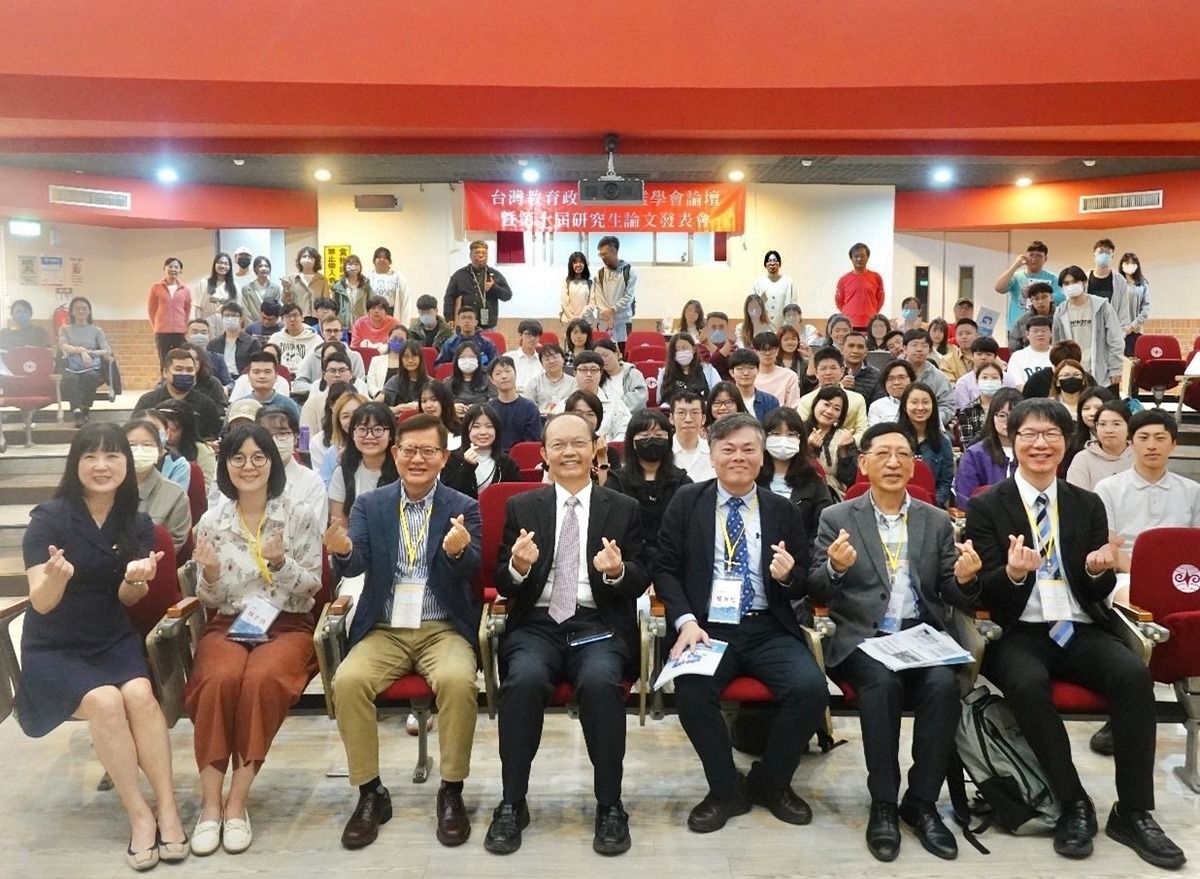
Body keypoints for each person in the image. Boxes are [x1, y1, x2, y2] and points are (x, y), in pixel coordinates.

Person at [963, 398, 1186, 869]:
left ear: (1066, 443)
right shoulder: (986, 506)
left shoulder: (1087, 503)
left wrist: (1097, 569)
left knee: (1133, 676)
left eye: (1050, 434)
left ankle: (1133, 812)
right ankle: (1072, 801)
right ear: (1013, 441)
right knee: (1027, 684)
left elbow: (1096, 588)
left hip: (1079, 626)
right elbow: (983, 590)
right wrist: (1015, 574)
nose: (1040, 444)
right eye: (1029, 434)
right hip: (1019, 630)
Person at [810, 422, 982, 862]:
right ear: (863, 463)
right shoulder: (837, 518)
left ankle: (921, 802)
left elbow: (949, 589)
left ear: (913, 465)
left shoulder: (936, 519)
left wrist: (964, 579)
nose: (893, 462)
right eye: (883, 454)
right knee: (881, 686)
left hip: (922, 636)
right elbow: (816, 589)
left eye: (903, 454)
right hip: (864, 638)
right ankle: (884, 803)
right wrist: (834, 568)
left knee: (943, 687)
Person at [19, 423, 188, 870]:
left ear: (126, 464)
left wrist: (136, 580)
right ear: (75, 463)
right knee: (106, 702)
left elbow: (126, 599)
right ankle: (139, 816)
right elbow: (41, 602)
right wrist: (55, 578)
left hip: (110, 636)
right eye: (90, 456)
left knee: (140, 695)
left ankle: (168, 808)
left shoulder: (136, 522)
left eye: (112, 455)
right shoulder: (49, 520)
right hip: (55, 645)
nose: (101, 465)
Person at [487, 412, 650, 855]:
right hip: (537, 625)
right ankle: (512, 802)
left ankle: (610, 804)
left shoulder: (624, 508)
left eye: (578, 443)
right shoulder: (523, 507)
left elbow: (640, 575)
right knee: (523, 682)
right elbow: (503, 581)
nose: (569, 452)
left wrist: (617, 572)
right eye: (558, 445)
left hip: (597, 625)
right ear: (544, 454)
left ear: (595, 448)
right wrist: (518, 566)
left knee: (600, 683)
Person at [655, 413, 827, 833]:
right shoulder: (687, 501)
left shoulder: (781, 509)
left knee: (811, 689)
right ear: (712, 456)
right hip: (707, 627)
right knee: (692, 690)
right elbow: (665, 568)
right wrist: (686, 620)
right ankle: (725, 788)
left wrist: (787, 577)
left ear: (762, 456)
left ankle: (771, 781)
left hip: (768, 625)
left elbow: (802, 579)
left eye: (749, 449)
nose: (738, 457)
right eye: (728, 449)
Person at [321, 412, 481, 848]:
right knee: (348, 681)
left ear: (443, 457)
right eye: (409, 450)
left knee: (457, 681)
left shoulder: (463, 507)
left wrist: (458, 552)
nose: (417, 459)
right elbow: (355, 563)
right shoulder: (370, 505)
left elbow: (471, 569)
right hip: (385, 627)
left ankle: (451, 790)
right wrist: (343, 551)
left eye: (428, 451)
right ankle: (370, 792)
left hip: (441, 627)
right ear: (395, 454)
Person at [184, 423, 322, 855]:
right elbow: (209, 599)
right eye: (238, 458)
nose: (249, 466)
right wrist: (209, 574)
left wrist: (280, 564)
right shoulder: (212, 521)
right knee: (218, 680)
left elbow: (313, 586)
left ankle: (236, 805)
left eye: (258, 457)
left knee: (261, 681)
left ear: (272, 462)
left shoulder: (298, 514)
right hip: (229, 623)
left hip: (287, 623)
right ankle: (210, 805)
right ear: (226, 465)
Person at [1097, 408, 1200, 575]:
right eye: (1143, 438)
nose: (1151, 446)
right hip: (1126, 573)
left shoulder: (1192, 490)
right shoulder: (1107, 488)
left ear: (1173, 444)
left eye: (1160, 438)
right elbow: (1109, 546)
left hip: (1181, 574)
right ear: (1131, 443)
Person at [605, 408, 692, 570]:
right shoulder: (616, 483)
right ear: (632, 442)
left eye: (659, 436)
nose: (652, 440)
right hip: (627, 565)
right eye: (644, 437)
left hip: (672, 565)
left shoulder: (683, 483)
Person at [757, 407, 832, 542]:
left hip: (802, 553)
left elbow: (822, 528)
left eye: (791, 434)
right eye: (776, 434)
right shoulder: (753, 479)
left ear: (800, 439)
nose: (783, 440)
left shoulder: (813, 481)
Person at [1052, 265, 1125, 389]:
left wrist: (1116, 368)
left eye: (1075, 281)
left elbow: (1115, 339)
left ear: (1084, 282)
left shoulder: (1102, 306)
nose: (1071, 286)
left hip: (1101, 372)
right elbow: (1057, 344)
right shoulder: (1060, 311)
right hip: (1073, 372)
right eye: (1066, 283)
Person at [124, 419, 191, 553]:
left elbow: (173, 543)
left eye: (147, 445)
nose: (139, 450)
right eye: (131, 445)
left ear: (160, 450)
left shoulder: (175, 495)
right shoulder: (107, 489)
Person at [329, 402, 399, 525]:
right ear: (353, 435)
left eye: (378, 430)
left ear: (391, 435)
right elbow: (339, 527)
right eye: (362, 430)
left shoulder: (403, 471)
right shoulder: (342, 473)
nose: (369, 436)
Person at [257, 405, 329, 525]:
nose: (274, 441)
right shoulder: (246, 476)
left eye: (282, 434)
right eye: (266, 435)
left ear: (295, 438)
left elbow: (313, 529)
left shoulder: (312, 482)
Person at [953, 388, 1021, 508]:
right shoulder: (974, 454)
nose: (1008, 422)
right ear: (992, 417)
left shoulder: (1032, 451)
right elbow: (965, 498)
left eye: (1014, 416)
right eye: (1002, 415)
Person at [134, 348, 222, 440]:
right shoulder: (148, 402)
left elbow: (213, 436)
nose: (184, 374)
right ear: (165, 372)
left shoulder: (206, 404)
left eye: (189, 370)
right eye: (178, 369)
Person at [439, 403, 522, 498]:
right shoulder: (452, 459)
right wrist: (467, 466)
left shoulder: (507, 463)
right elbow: (449, 495)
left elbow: (515, 497)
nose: (483, 432)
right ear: (467, 430)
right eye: (476, 426)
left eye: (489, 426)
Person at [58, 296, 113, 427]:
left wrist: (89, 353)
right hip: (71, 365)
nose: (81, 311)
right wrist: (80, 351)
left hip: (91, 365)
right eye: (77, 308)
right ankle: (77, 412)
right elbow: (62, 345)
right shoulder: (65, 329)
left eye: (84, 308)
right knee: (70, 379)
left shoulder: (97, 331)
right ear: (72, 312)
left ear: (89, 311)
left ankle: (86, 408)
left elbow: (106, 350)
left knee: (91, 377)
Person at [994, 240, 1063, 344]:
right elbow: (999, 288)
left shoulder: (1053, 278)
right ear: (1025, 257)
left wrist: (1040, 294)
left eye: (1039, 256)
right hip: (1018, 328)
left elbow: (1062, 298)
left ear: (1045, 259)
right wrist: (1015, 266)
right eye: (1031, 255)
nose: (1034, 259)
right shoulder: (1016, 276)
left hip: (1045, 328)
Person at [897, 382, 952, 507]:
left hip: (931, 507)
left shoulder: (943, 442)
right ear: (904, 406)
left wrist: (931, 504)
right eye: (914, 402)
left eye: (926, 402)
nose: (920, 407)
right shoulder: (893, 438)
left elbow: (945, 482)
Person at [798, 346, 868, 442]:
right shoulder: (806, 400)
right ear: (816, 372)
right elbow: (800, 430)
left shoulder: (857, 399)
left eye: (833, 368)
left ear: (842, 371)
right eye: (823, 368)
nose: (828, 373)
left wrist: (849, 441)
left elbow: (863, 430)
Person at [803, 385, 859, 499]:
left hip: (833, 494)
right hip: (802, 489)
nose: (829, 411)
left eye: (836, 409)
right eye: (826, 404)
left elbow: (849, 479)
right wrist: (809, 449)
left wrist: (843, 452)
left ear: (840, 416)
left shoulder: (844, 437)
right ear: (815, 404)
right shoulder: (798, 430)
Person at [1066, 399, 1132, 492]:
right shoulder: (1083, 459)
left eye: (1116, 424)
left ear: (1129, 426)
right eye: (1102, 424)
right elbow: (1076, 496)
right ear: (1096, 426)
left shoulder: (1140, 455)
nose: (1109, 430)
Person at [444, 240, 512, 329]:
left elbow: (508, 295)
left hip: (488, 326)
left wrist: (493, 288)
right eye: (477, 252)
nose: (481, 255)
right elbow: (449, 298)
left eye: (484, 253)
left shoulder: (494, 275)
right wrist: (449, 318)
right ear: (470, 255)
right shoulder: (459, 275)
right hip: (466, 325)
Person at [571, 351, 631, 444]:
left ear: (601, 373)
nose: (589, 374)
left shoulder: (614, 402)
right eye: (583, 370)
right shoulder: (564, 404)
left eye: (594, 370)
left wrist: (609, 446)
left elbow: (625, 430)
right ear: (575, 373)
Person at [486, 356, 541, 452]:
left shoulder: (530, 408)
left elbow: (533, 442)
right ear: (491, 379)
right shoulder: (488, 409)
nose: (504, 376)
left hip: (522, 456)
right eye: (498, 373)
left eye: (508, 371)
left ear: (515, 373)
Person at [590, 235, 636, 346]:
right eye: (600, 254)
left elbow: (628, 296)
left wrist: (613, 310)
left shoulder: (629, 271)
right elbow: (598, 298)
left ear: (614, 251)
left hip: (623, 322)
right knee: (602, 352)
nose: (602, 257)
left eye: (605, 254)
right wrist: (607, 314)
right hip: (604, 322)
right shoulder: (599, 274)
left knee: (623, 352)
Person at [147, 257, 193, 363]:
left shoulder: (185, 290)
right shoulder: (156, 288)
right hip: (162, 331)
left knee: (180, 358)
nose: (173, 269)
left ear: (180, 270)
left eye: (176, 267)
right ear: (165, 268)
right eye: (170, 266)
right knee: (164, 360)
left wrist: (183, 326)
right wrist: (156, 326)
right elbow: (151, 309)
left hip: (179, 332)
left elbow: (187, 310)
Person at [658, 333, 720, 407]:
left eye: (685, 348)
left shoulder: (709, 370)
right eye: (677, 350)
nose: (681, 352)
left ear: (694, 349)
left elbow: (718, 396)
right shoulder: (665, 372)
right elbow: (660, 400)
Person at [319, 391, 366, 487]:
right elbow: (326, 489)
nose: (352, 420)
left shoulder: (379, 447)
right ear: (338, 422)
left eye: (357, 414)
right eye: (345, 416)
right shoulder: (332, 454)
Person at [208, 302, 261, 383]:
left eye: (234, 316)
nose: (230, 318)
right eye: (227, 315)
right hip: (219, 380)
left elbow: (255, 366)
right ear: (222, 318)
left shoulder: (252, 343)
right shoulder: (213, 343)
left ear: (241, 319)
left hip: (243, 380)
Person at [955, 361, 1005, 448]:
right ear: (977, 382)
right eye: (984, 377)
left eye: (994, 378)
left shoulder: (1009, 408)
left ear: (1001, 382)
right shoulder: (968, 410)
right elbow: (967, 444)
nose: (989, 381)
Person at [835, 243, 885, 328]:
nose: (859, 259)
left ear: (867, 257)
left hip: (870, 324)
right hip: (849, 324)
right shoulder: (843, 280)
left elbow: (880, 299)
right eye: (856, 256)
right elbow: (839, 301)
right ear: (851, 258)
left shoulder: (876, 277)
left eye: (862, 256)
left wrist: (872, 313)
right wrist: (847, 314)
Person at [669, 390, 715, 482]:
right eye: (681, 413)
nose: (688, 419)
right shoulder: (664, 451)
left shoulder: (714, 451)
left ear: (703, 419)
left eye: (695, 413)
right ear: (671, 418)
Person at [595, 338, 648, 411]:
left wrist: (614, 408)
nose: (603, 360)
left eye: (606, 355)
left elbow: (640, 397)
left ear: (617, 354)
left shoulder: (633, 374)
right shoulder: (596, 377)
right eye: (598, 357)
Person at [445, 339, 495, 416]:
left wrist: (479, 407)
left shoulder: (488, 379)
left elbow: (494, 402)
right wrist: (452, 408)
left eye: (471, 357)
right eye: (463, 357)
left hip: (483, 417)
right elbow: (443, 404)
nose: (467, 360)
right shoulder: (448, 382)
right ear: (457, 360)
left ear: (478, 359)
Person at [751, 331, 800, 409]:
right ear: (755, 352)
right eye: (763, 350)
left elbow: (793, 406)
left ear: (777, 351)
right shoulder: (749, 376)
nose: (767, 353)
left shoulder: (790, 376)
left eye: (771, 349)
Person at [268, 302, 321, 373]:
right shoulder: (275, 339)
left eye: (295, 315)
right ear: (282, 320)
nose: (292, 319)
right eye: (288, 316)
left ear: (302, 317)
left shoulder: (315, 339)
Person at [525, 343, 577, 415]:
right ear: (542, 363)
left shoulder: (574, 383)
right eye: (547, 359)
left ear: (563, 360)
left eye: (555, 357)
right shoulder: (534, 382)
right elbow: (527, 406)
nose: (551, 361)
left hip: (566, 419)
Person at [183, 336, 231, 414]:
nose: (192, 362)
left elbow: (221, 408)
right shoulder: (170, 383)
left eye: (196, 359)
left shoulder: (213, 383)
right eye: (188, 358)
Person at [728, 349, 780, 421]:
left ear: (758, 370)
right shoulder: (726, 401)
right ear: (731, 372)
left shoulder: (770, 401)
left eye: (751, 368)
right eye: (740, 369)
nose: (746, 373)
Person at [195, 253, 239, 336]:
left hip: (226, 322)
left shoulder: (235, 286)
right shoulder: (204, 283)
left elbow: (237, 310)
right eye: (220, 263)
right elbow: (198, 307)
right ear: (214, 264)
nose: (223, 266)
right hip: (208, 320)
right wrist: (199, 325)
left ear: (230, 267)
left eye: (226, 264)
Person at [381, 339, 428, 415]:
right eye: (406, 357)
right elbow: (377, 405)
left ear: (420, 358)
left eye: (414, 356)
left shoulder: (430, 383)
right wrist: (396, 409)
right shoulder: (394, 381)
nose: (410, 360)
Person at [1007, 314, 1054, 389]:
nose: (1040, 334)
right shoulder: (1017, 357)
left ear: (1051, 333)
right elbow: (1017, 384)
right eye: (1035, 331)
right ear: (1027, 334)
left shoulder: (1058, 354)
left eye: (1044, 330)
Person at [1118, 252, 1151, 356]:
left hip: (1136, 330)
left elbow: (1145, 309)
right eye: (1127, 263)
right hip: (1119, 331)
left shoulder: (1142, 284)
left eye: (1133, 263)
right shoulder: (1117, 283)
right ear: (1122, 265)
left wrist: (1132, 326)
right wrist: (1122, 328)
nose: (1130, 265)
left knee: (1134, 360)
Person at [365, 246, 409, 322]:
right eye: (379, 257)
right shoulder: (368, 277)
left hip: (391, 314)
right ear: (374, 261)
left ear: (390, 261)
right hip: (372, 315)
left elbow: (405, 300)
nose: (382, 259)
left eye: (385, 258)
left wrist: (404, 324)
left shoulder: (397, 277)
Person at [280, 246, 328, 316]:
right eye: (304, 256)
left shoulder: (322, 279)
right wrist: (286, 288)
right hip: (297, 317)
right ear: (299, 260)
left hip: (317, 317)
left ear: (316, 260)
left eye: (310, 257)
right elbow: (285, 302)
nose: (307, 258)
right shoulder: (291, 278)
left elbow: (326, 301)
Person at [753, 250, 796, 325]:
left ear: (779, 264)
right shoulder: (758, 282)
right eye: (769, 261)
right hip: (763, 326)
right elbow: (753, 305)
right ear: (765, 264)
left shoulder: (788, 282)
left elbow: (794, 304)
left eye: (775, 260)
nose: (772, 263)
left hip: (783, 326)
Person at [1011, 281, 1057, 351]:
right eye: (1036, 298)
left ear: (1051, 297)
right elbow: (1014, 345)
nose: (1040, 302)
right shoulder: (1023, 321)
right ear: (1031, 301)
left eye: (1044, 297)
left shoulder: (1060, 315)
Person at [365, 325, 409, 398]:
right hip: (378, 398)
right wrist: (380, 395)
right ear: (388, 339)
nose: (397, 342)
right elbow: (370, 384)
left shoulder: (409, 362)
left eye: (401, 340)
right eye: (395, 338)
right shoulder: (376, 360)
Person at [868, 360, 915, 427]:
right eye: (891, 379)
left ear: (911, 380)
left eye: (901, 377)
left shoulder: (920, 404)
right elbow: (874, 432)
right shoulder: (877, 406)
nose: (896, 383)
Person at [330, 253, 372, 327]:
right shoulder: (337, 287)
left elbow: (370, 304)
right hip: (343, 323)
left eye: (356, 264)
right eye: (350, 264)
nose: (353, 267)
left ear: (360, 267)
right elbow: (334, 306)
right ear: (345, 267)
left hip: (362, 322)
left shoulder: (365, 285)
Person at [420, 381, 463, 451]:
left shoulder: (461, 431)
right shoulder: (416, 432)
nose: (428, 405)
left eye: (434, 400)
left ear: (444, 401)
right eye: (424, 401)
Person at [841, 330, 880, 403]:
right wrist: (840, 387)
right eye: (851, 346)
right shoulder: (832, 371)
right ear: (842, 349)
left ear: (866, 352)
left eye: (860, 347)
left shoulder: (876, 375)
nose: (855, 351)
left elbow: (878, 405)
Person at [240, 256, 281, 324]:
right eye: (260, 266)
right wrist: (252, 327)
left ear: (270, 269)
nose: (264, 268)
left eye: (266, 266)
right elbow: (245, 311)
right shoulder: (246, 289)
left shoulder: (275, 288)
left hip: (271, 324)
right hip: (252, 325)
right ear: (255, 269)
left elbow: (278, 310)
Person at [939, 318, 979, 383]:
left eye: (968, 333)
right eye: (960, 334)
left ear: (977, 335)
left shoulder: (987, 356)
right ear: (956, 336)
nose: (964, 337)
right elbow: (950, 385)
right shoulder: (947, 360)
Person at [697, 310, 735, 378]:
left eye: (721, 327)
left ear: (727, 328)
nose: (717, 330)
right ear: (706, 329)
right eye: (713, 327)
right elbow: (709, 367)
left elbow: (729, 365)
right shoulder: (699, 348)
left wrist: (729, 344)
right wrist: (706, 343)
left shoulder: (733, 348)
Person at [512, 319, 545, 393]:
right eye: (528, 334)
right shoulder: (509, 357)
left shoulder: (543, 361)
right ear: (520, 335)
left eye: (535, 335)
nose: (532, 338)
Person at [560, 251, 594, 323]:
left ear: (585, 264)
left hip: (586, 322)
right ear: (571, 265)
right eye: (575, 262)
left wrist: (580, 317)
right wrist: (572, 317)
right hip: (568, 321)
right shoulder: (566, 282)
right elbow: (564, 303)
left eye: (581, 262)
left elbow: (591, 304)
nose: (578, 265)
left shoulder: (590, 283)